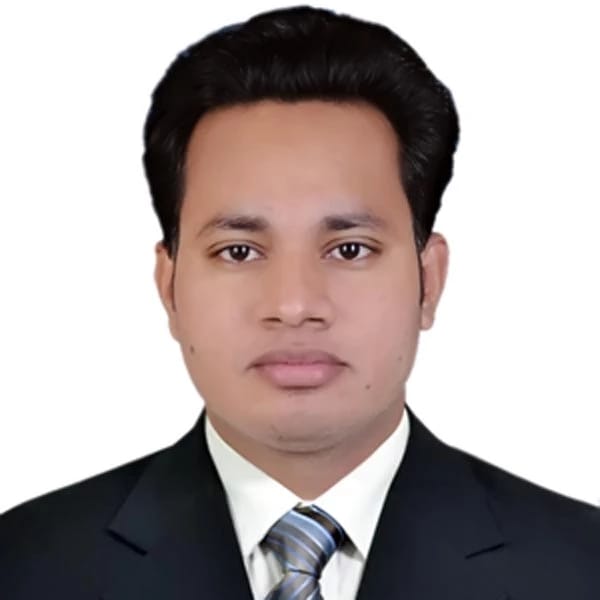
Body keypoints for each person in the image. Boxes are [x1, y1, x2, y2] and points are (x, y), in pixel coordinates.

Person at [1, 5, 598, 599]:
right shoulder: (24, 566)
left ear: (429, 280)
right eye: (239, 251)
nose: (293, 305)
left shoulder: (581, 568)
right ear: (169, 287)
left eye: (349, 249)